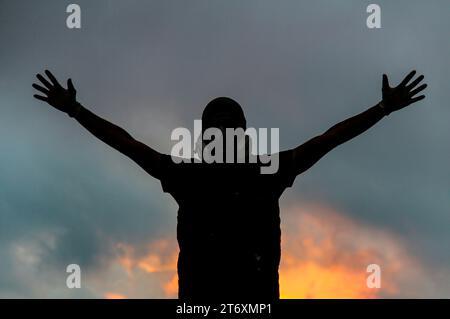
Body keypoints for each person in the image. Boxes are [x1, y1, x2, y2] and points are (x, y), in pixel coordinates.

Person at [32, 69, 427, 300]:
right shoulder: (258, 172)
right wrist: (381, 110)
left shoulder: (206, 175)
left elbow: (127, 144)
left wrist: (76, 111)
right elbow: (329, 138)